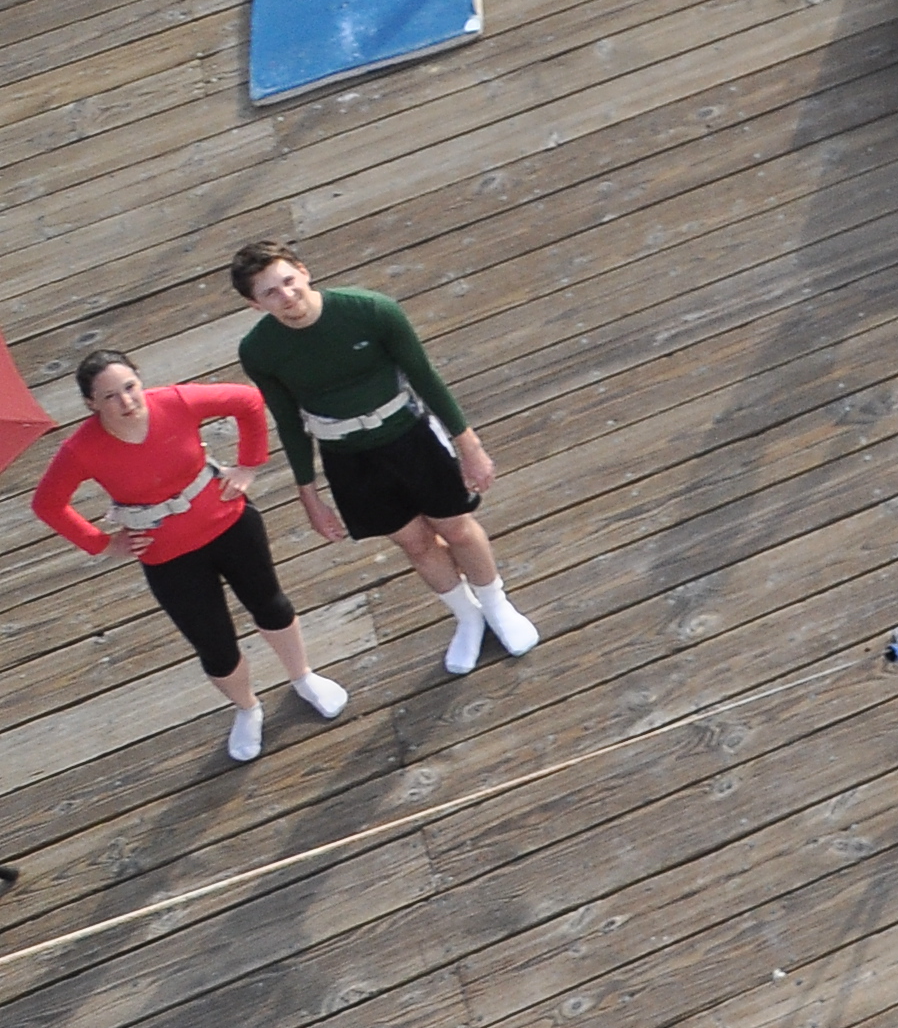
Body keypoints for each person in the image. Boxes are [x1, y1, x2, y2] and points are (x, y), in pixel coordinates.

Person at [229, 239, 540, 676]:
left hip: (410, 436)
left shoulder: (371, 310)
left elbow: (424, 376)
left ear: (303, 270)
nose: (287, 297)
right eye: (270, 293)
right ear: (253, 304)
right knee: (414, 543)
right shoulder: (259, 351)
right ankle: (467, 617)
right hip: (347, 458)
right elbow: (287, 420)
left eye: (288, 281)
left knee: (456, 528)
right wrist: (309, 495)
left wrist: (469, 446)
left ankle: (496, 605)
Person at [32, 348, 351, 761]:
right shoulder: (82, 449)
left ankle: (303, 677)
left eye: (130, 387)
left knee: (270, 605)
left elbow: (249, 402)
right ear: (91, 403)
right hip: (168, 556)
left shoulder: (176, 401)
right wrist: (105, 544)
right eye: (110, 396)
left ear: (140, 379)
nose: (126, 402)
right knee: (214, 645)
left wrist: (249, 466)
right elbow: (48, 503)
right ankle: (247, 708)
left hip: (231, 524)